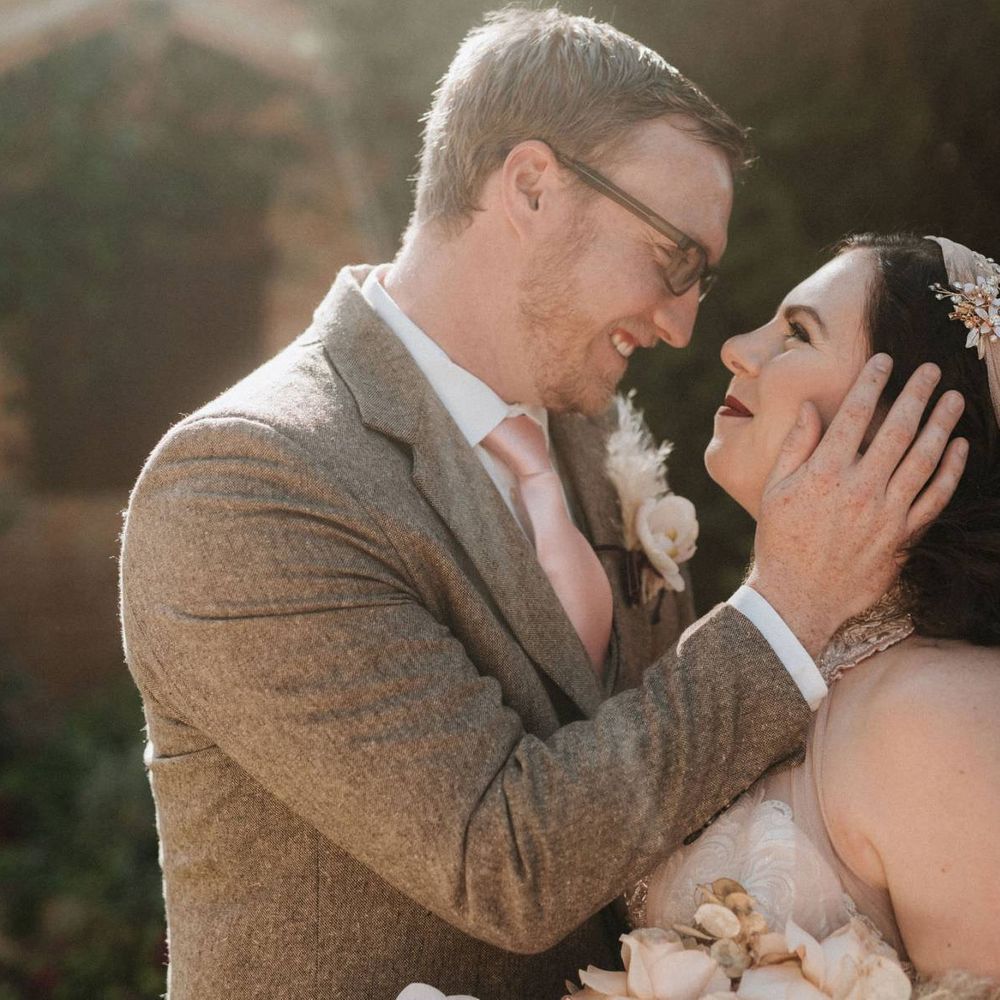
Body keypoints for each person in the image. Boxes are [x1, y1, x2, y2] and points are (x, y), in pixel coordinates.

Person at [118, 10, 966, 1000]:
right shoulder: (249, 480)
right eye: (674, 261)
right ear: (529, 185)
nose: (686, 324)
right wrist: (784, 610)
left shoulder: (590, 443)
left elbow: (661, 791)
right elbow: (504, 861)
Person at [608, 234, 1000, 996]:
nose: (734, 349)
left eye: (797, 333)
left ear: (903, 422)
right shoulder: (739, 647)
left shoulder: (941, 717)